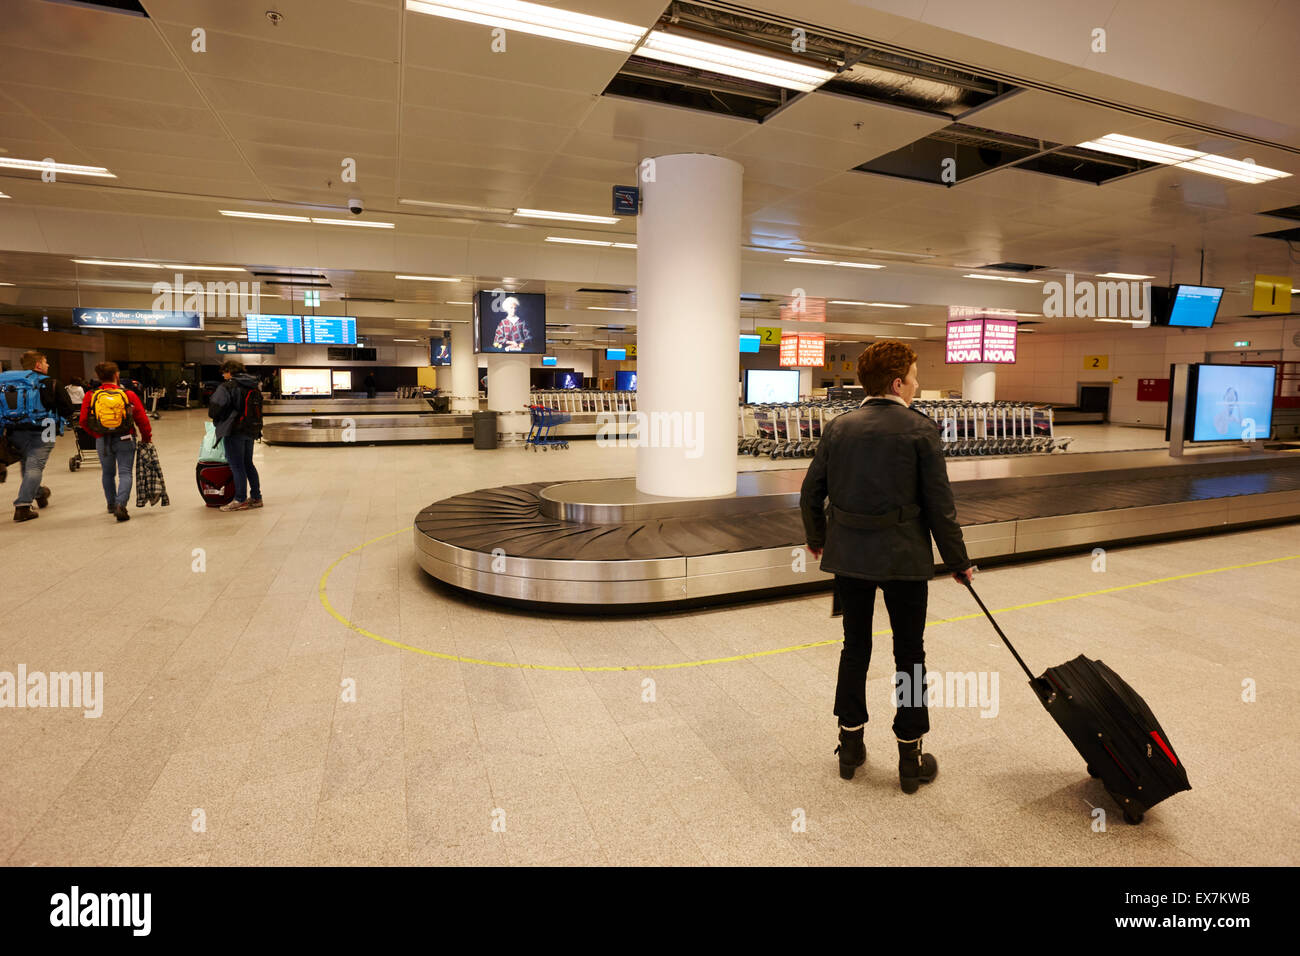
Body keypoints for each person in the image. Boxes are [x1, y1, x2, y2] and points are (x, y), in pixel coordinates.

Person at [800, 341, 973, 793]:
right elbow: (940, 505)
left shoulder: (840, 427)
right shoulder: (920, 429)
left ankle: (851, 745)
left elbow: (809, 492)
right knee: (909, 654)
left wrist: (818, 539)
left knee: (854, 648)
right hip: (905, 558)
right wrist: (958, 561)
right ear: (898, 383)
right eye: (914, 377)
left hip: (850, 557)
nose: (917, 385)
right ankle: (909, 756)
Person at [2, 351, 75, 522]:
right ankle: (23, 506)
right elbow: (67, 409)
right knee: (35, 465)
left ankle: (39, 493)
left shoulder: (11, 383)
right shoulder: (51, 383)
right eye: (46, 362)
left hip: (15, 428)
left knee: (27, 463)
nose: (48, 365)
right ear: (38, 365)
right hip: (46, 428)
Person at [80, 361, 152, 522]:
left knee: (107, 473)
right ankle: (121, 505)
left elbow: (83, 420)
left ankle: (111, 504)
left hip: (102, 440)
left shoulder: (91, 395)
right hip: (125, 438)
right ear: (116, 375)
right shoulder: (128, 394)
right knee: (125, 472)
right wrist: (146, 437)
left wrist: (97, 433)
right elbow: (142, 418)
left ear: (98, 377)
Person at [208, 360, 263, 512]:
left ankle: (240, 499)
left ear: (229, 371)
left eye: (224, 372)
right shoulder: (253, 385)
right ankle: (256, 497)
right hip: (251, 430)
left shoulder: (228, 386)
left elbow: (214, 409)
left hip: (234, 430)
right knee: (248, 463)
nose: (223, 375)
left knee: (237, 465)